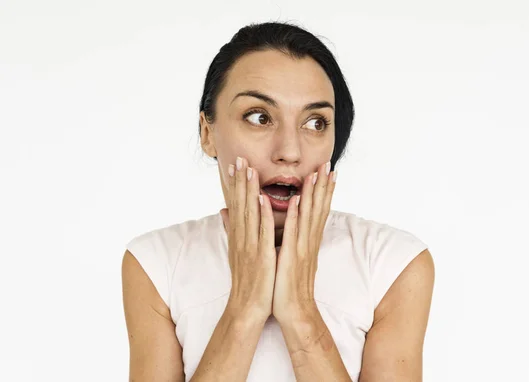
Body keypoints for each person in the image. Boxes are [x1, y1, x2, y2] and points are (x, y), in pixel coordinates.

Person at [121, 21, 435, 382]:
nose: (289, 151)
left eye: (316, 122)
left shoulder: (392, 264)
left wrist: (300, 311)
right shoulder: (157, 262)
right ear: (208, 134)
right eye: (259, 117)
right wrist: (244, 308)